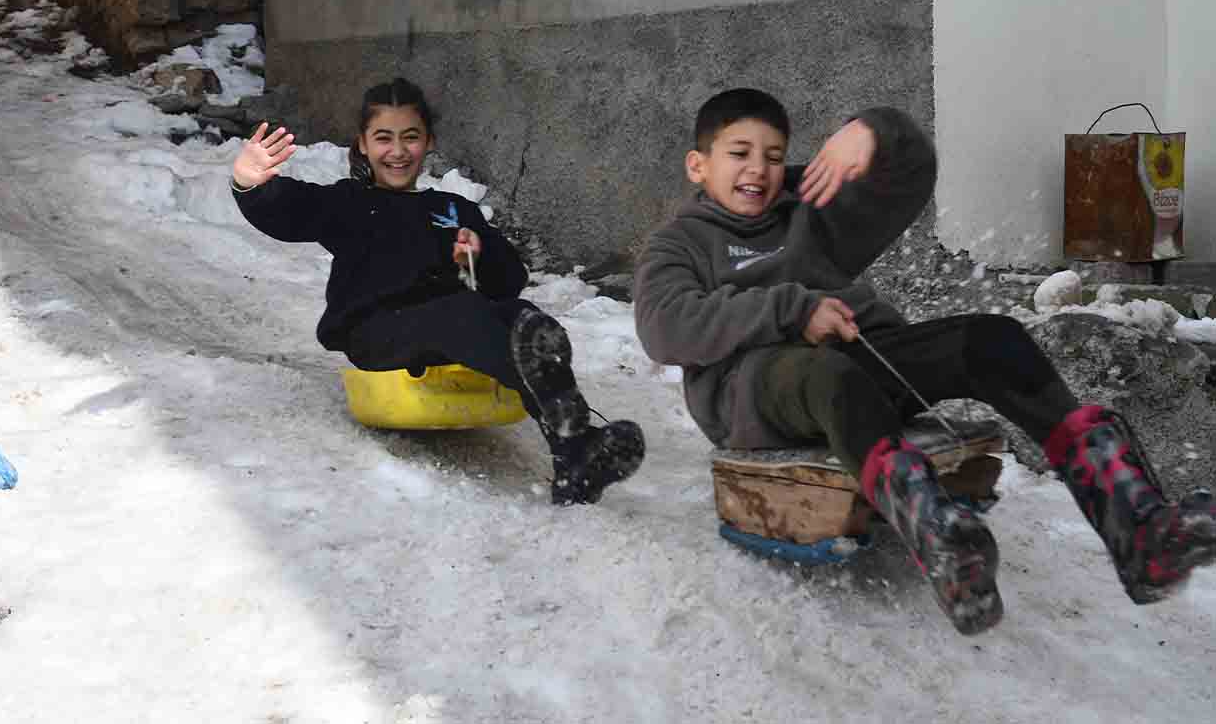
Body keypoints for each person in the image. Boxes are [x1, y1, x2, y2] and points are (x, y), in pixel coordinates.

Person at [632, 87, 1216, 635]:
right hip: (756, 392)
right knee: (827, 374)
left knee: (993, 338)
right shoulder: (680, 244)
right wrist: (792, 311)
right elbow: (666, 327)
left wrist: (874, 132)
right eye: (739, 153)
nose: (758, 169)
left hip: (856, 363)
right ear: (698, 165)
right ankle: (941, 542)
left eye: (773, 155)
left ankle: (1137, 529)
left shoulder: (806, 209)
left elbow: (909, 176)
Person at [232, 77, 644, 505]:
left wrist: (479, 255)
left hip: (448, 330)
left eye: (410, 137)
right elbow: (288, 211)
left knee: (524, 317)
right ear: (364, 144)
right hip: (377, 334)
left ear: (428, 142)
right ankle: (573, 437)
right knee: (457, 313)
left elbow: (507, 282)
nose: (397, 151)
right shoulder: (347, 202)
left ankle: (573, 452)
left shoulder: (453, 209)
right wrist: (249, 183)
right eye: (383, 138)